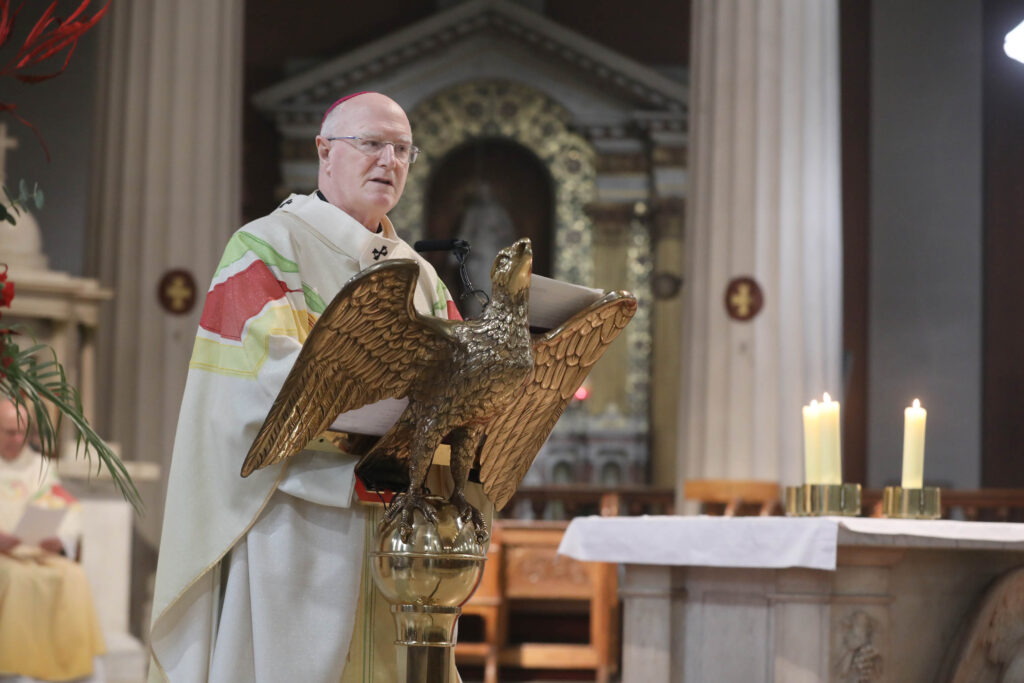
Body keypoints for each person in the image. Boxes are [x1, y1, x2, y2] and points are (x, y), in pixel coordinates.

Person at [149, 92, 470, 682]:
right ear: (324, 152)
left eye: (401, 149)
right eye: (370, 143)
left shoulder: (420, 274)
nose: (388, 161)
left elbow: (460, 392)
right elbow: (262, 389)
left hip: (401, 528)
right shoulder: (268, 247)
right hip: (302, 519)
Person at [0, 398, 106, 682]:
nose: (18, 439)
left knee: (73, 576)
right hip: (3, 560)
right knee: (19, 580)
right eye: (9, 432)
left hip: (35, 553)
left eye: (22, 431)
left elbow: (64, 507)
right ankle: (16, 672)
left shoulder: (40, 466)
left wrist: (59, 540)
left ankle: (71, 670)